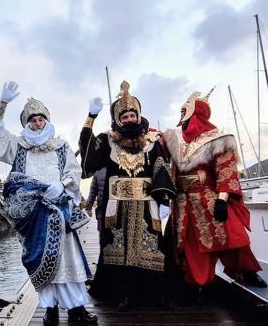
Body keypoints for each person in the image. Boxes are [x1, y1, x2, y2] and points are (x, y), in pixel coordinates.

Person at [0, 81, 97, 326]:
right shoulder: (18, 146)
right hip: (33, 214)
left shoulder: (61, 146)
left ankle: (77, 309)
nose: (37, 124)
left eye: (41, 120)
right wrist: (3, 103)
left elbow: (74, 171)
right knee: (37, 257)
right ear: (27, 124)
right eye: (32, 121)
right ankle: (50, 309)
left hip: (59, 209)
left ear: (47, 121)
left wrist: (63, 183)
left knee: (68, 259)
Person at [79, 81, 177, 310]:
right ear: (118, 120)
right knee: (119, 249)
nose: (130, 119)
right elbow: (88, 159)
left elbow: (160, 169)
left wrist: (163, 199)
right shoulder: (108, 141)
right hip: (117, 207)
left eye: (133, 115)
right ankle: (122, 294)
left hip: (146, 205)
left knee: (151, 247)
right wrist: (90, 118)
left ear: (139, 116)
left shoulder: (152, 143)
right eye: (125, 117)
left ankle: (156, 294)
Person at [163, 90, 266, 288]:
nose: (181, 117)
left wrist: (222, 199)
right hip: (184, 202)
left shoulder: (217, 139)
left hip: (209, 198)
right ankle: (197, 282)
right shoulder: (175, 140)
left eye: (185, 112)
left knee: (232, 235)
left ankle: (246, 271)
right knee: (190, 244)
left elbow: (226, 171)